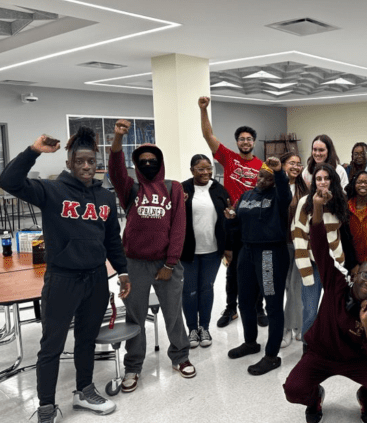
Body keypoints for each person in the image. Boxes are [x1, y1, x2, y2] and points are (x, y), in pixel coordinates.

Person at [0, 128, 131, 422]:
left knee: (86, 339)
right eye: (80, 162)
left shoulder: (105, 198)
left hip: (97, 279)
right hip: (63, 280)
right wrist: (33, 150)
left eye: (91, 161)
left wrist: (122, 272)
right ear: (69, 163)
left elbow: (112, 239)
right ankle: (46, 404)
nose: (86, 167)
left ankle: (84, 391)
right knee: (52, 345)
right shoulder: (51, 192)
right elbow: (8, 181)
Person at [283, 188, 367, 423]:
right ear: (355, 275)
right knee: (293, 389)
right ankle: (315, 398)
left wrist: (366, 326)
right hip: (321, 354)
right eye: (366, 275)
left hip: (356, 360)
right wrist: (317, 208)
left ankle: (366, 398)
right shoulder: (336, 283)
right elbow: (321, 248)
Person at [109, 119, 195, 393]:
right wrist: (118, 139)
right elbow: (115, 169)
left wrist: (171, 263)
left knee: (172, 313)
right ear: (137, 164)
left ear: (160, 162)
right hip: (134, 263)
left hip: (166, 263)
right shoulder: (130, 189)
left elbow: (179, 227)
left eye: (152, 160)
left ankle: (180, 357)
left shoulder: (173, 188)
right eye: (142, 161)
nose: (148, 164)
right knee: (135, 317)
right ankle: (133, 366)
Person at [198, 95, 267, 328]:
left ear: (254, 142)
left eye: (249, 139)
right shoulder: (229, 158)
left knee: (258, 268)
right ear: (237, 142)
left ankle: (259, 307)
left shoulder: (262, 167)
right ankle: (231, 308)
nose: (245, 142)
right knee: (233, 268)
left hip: (255, 223)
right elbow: (208, 136)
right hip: (232, 223)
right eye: (241, 139)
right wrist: (203, 109)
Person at [224, 157, 292, 375]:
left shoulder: (279, 197)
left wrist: (279, 172)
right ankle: (250, 342)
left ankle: (272, 355)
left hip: (269, 254)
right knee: (245, 300)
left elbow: (285, 190)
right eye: (260, 175)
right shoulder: (246, 195)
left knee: (272, 304)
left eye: (268, 178)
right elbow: (240, 223)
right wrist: (231, 219)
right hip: (247, 252)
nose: (261, 180)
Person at [292, 163, 348, 343]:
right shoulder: (305, 202)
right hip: (312, 263)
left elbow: (340, 234)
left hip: (334, 264)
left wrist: (343, 264)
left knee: (335, 308)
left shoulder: (340, 200)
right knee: (310, 309)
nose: (322, 182)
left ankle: (332, 344)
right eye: (318, 179)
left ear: (333, 180)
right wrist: (306, 272)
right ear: (313, 182)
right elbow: (298, 235)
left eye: (326, 178)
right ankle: (309, 349)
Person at [180, 154, 230, 349]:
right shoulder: (181, 189)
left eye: (209, 168)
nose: (206, 172)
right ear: (192, 169)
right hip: (188, 251)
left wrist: (228, 247)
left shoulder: (219, 190)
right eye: (201, 169)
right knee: (189, 290)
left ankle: (204, 327)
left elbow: (227, 220)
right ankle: (192, 329)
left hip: (212, 250)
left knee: (206, 289)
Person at [280, 152, 309, 348]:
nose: (296, 167)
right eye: (291, 163)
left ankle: (294, 327)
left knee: (295, 288)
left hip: (298, 243)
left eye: (299, 164)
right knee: (283, 288)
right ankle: (285, 327)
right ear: (282, 165)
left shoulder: (304, 188)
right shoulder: (274, 185)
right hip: (278, 245)